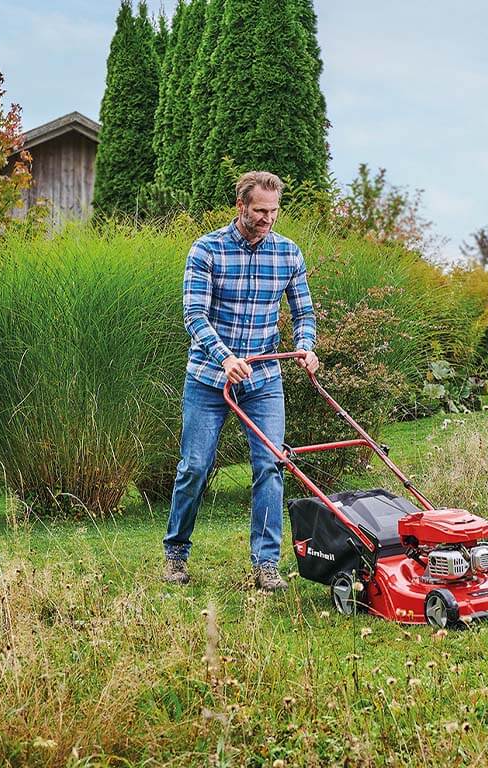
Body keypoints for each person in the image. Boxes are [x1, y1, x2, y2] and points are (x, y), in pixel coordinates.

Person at [163, 170, 318, 591]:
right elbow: (194, 317)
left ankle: (266, 564)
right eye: (260, 211)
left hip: (264, 377)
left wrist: (306, 346)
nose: (268, 218)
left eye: (274, 211)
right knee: (194, 467)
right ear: (241, 207)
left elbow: (304, 313)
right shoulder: (206, 250)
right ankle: (176, 552)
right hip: (210, 378)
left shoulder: (288, 253)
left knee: (270, 465)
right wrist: (226, 358)